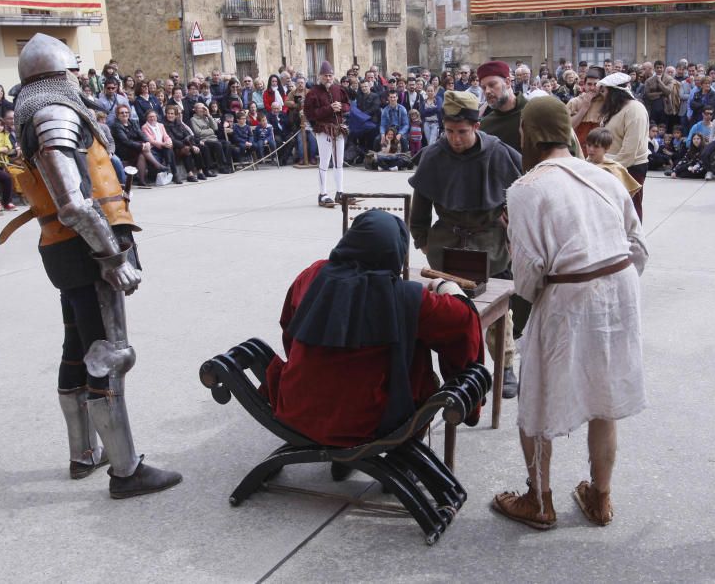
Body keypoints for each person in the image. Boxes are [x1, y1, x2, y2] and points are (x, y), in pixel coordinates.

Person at [6, 33, 181, 497]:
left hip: (66, 251)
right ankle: (126, 471)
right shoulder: (56, 115)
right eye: (72, 73)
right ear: (58, 78)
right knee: (110, 353)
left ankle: (83, 452)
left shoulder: (38, 113)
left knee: (77, 346)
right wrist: (113, 256)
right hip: (89, 251)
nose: (78, 80)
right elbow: (74, 205)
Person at [492, 96, 647, 530]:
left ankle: (539, 502)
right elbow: (638, 247)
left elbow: (527, 276)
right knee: (605, 396)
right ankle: (600, 498)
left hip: (569, 293)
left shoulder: (525, 189)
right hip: (620, 290)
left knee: (536, 397)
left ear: (527, 135)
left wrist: (516, 243)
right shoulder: (606, 177)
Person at [262, 209, 484, 448]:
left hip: (298, 407)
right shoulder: (407, 298)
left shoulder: (313, 275)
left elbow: (290, 328)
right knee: (417, 357)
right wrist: (449, 289)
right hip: (369, 424)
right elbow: (463, 322)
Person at [408, 91, 523, 398]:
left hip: (490, 245)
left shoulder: (498, 153)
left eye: (462, 132)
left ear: (476, 126)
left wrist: (515, 236)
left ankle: (505, 366)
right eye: (449, 131)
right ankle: (460, 372)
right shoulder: (434, 155)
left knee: (501, 312)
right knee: (451, 314)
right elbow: (419, 208)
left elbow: (519, 198)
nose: (455, 139)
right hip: (447, 245)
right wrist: (422, 240)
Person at [597, 72, 650, 221]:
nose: (603, 95)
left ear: (614, 93)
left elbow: (630, 150)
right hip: (610, 166)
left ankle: (634, 243)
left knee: (630, 211)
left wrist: (611, 169)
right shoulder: (614, 109)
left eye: (605, 91)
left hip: (629, 168)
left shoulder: (635, 110)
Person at [304, 61, 352, 208]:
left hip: (338, 128)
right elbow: (310, 114)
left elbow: (348, 105)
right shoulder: (313, 92)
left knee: (339, 163)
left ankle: (340, 193)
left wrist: (340, 107)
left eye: (330, 75)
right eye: (325, 76)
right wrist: (329, 109)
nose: (328, 78)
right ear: (320, 76)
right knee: (324, 163)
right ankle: (323, 194)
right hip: (323, 129)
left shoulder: (339, 89)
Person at [584, 127, 642, 196]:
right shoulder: (583, 164)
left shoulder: (614, 169)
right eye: (589, 145)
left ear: (607, 148)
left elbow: (624, 195)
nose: (591, 149)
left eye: (596, 146)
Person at [566, 67, 604, 151]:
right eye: (589, 84)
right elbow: (568, 128)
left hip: (601, 148)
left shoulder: (606, 102)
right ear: (584, 85)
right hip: (579, 149)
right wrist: (584, 109)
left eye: (595, 85)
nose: (592, 88)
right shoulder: (574, 102)